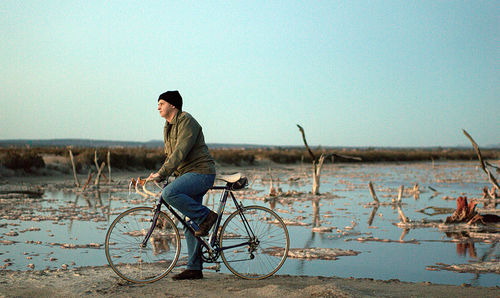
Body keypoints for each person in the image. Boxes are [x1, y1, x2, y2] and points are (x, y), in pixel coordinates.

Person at [147, 90, 217, 280]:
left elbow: (180, 151)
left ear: (173, 105)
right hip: (187, 175)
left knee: (169, 194)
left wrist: (163, 173)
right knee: (188, 222)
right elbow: (171, 156)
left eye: (161, 103)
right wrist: (162, 174)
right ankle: (194, 268)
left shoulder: (187, 121)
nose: (158, 107)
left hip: (201, 173)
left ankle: (207, 216)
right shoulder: (168, 126)